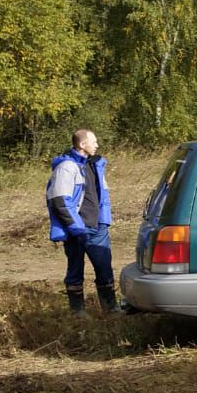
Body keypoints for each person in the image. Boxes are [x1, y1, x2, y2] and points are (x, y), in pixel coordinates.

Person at [46, 129, 122, 316]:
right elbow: (59, 201)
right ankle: (77, 312)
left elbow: (103, 195)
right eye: (93, 141)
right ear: (82, 145)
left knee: (104, 269)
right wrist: (76, 228)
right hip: (77, 230)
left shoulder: (96, 165)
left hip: (98, 228)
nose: (97, 145)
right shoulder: (66, 167)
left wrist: (104, 222)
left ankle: (111, 308)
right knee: (75, 271)